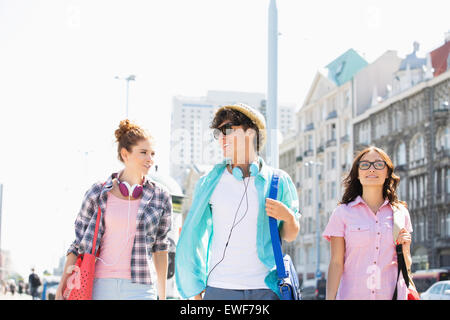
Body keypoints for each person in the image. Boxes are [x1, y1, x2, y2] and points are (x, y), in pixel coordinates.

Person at [175, 103, 300, 300]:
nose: (221, 138)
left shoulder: (278, 180)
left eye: (227, 130)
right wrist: (195, 289)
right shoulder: (209, 182)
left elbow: (290, 235)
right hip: (220, 287)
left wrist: (288, 217)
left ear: (250, 133)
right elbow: (193, 237)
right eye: (218, 134)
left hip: (265, 288)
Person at [55, 119, 172, 300]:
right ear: (125, 154)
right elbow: (78, 244)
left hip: (141, 288)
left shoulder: (160, 196)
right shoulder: (98, 192)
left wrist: (163, 296)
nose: (150, 159)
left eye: (152, 153)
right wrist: (63, 284)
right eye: (143, 153)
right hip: (100, 285)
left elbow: (161, 248)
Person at [322, 146, 413, 300]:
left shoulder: (400, 213)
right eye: (365, 165)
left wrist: (405, 249)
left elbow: (407, 264)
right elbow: (336, 263)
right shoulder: (342, 213)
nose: (372, 169)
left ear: (387, 173)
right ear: (357, 174)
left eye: (378, 164)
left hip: (392, 295)